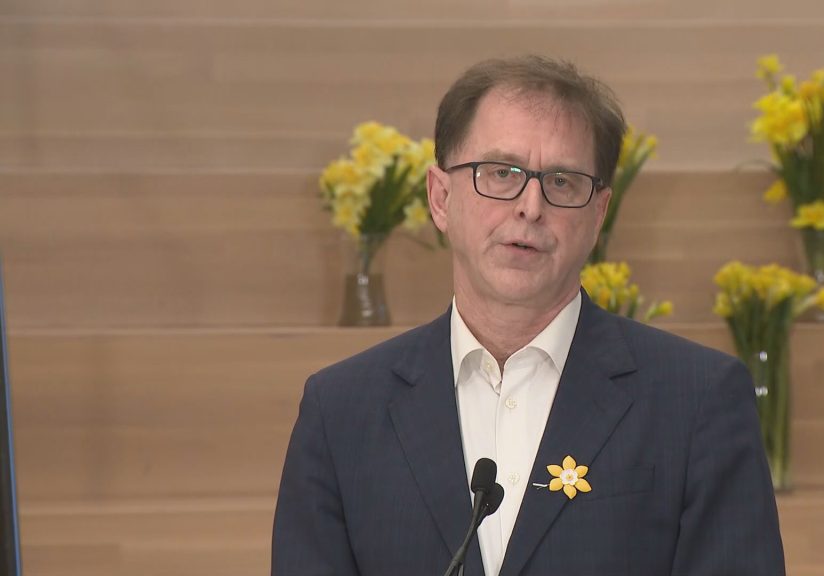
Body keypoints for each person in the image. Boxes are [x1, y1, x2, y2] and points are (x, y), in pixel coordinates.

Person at [272, 55, 785, 576]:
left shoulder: (697, 400)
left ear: (598, 215)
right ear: (441, 197)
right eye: (501, 173)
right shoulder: (341, 411)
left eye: (562, 182)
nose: (531, 206)